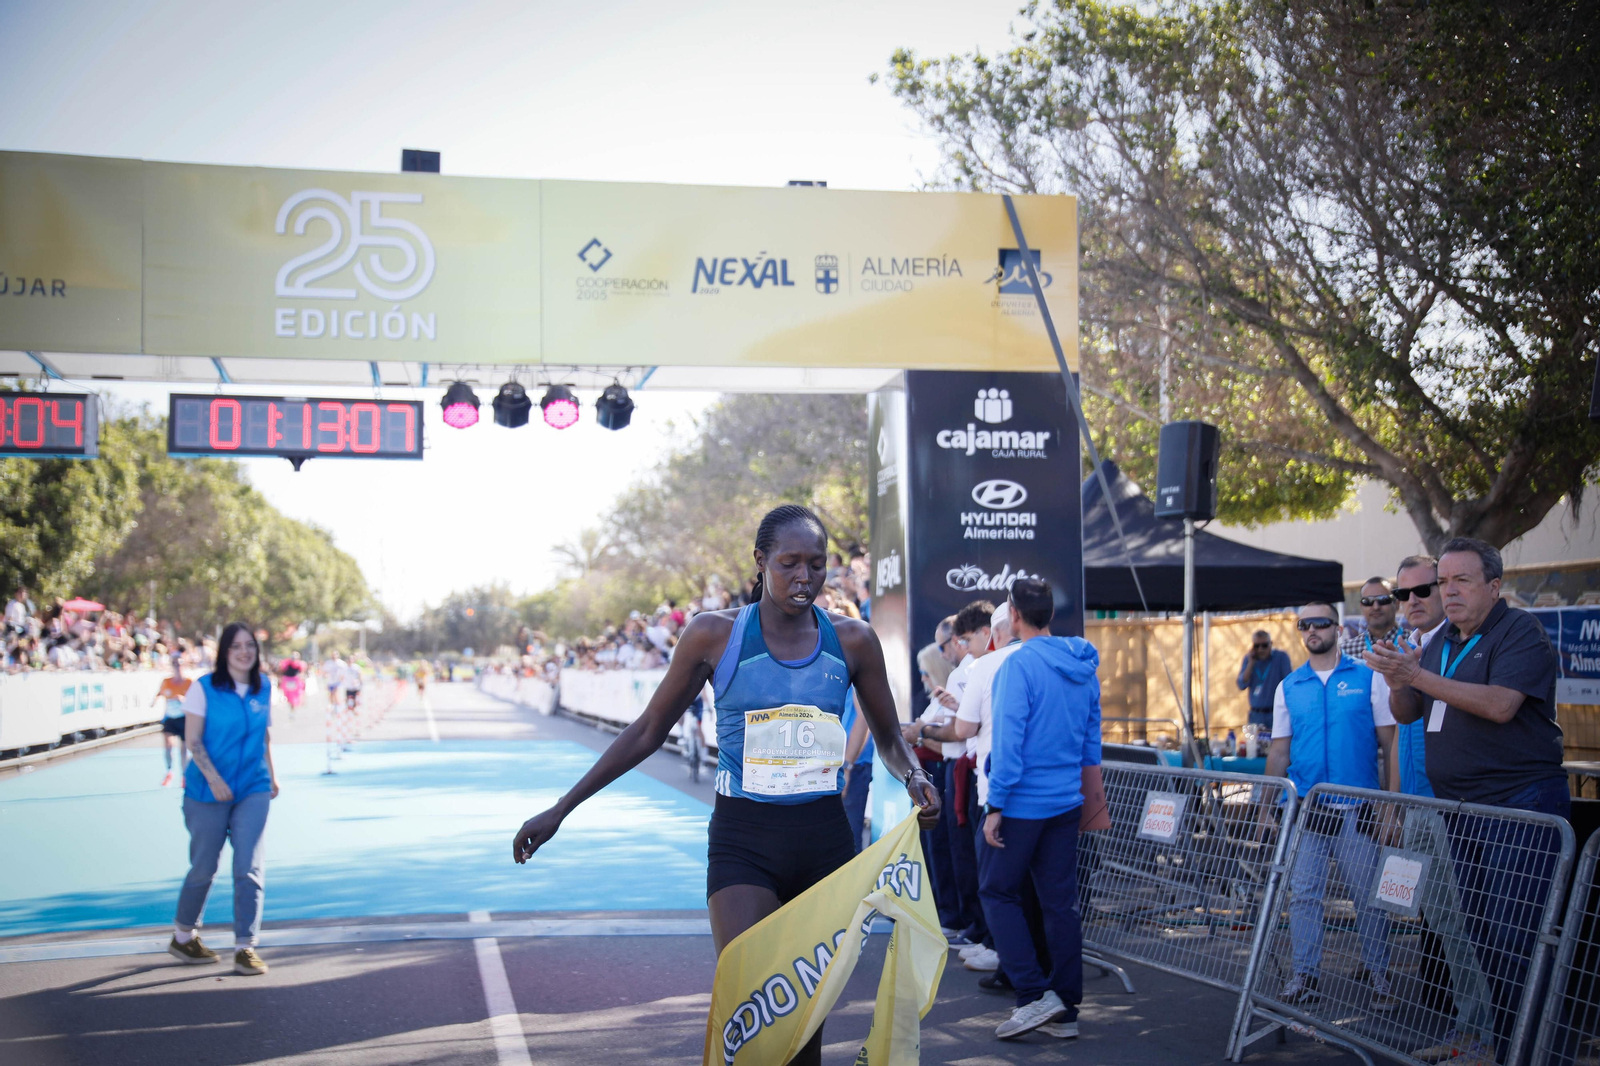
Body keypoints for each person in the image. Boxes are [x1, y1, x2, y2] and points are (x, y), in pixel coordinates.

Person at [511, 505, 939, 1066]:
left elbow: (888, 736)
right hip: (744, 840)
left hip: (825, 845)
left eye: (817, 564)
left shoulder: (854, 641)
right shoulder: (714, 635)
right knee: (753, 1001)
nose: (804, 577)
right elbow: (645, 731)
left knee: (805, 1022)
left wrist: (914, 775)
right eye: (789, 564)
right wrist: (562, 808)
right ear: (760, 561)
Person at [1365, 537, 1568, 1058]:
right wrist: (1395, 679)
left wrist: (1418, 675)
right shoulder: (1441, 641)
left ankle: (1536, 1050)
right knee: (1480, 938)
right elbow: (1409, 711)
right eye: (1444, 582)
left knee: (1518, 939)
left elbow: (1501, 705)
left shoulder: (1520, 630)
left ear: (1494, 587)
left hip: (1518, 807)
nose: (1448, 592)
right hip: (1462, 809)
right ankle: (1496, 1045)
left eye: (1461, 581)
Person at [1378, 554, 1496, 1066]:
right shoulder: (1411, 647)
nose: (1414, 603)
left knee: (1474, 929)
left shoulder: (1458, 644)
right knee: (1446, 926)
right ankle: (1472, 1031)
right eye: (1402, 595)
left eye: (1424, 590)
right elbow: (1404, 727)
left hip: (1461, 806)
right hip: (1419, 805)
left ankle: (1488, 1037)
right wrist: (1395, 805)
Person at [980, 577, 1101, 1041]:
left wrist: (996, 805)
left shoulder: (1018, 665)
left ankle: (1034, 996)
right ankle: (1065, 1010)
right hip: (1066, 800)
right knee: (1060, 906)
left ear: (1013, 614)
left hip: (1024, 803)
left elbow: (1009, 745)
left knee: (996, 892)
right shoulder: (1082, 663)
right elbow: (1092, 738)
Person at [1263, 603, 1398, 1011]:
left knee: (1368, 898)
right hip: (1308, 809)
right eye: (1305, 624)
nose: (1313, 630)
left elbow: (1390, 744)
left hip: (1359, 808)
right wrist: (1265, 806)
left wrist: (1390, 808)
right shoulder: (1289, 686)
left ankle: (1380, 975)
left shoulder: (1368, 678)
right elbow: (1278, 750)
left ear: (1338, 628)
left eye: (1321, 622)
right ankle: (1306, 977)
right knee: (1303, 896)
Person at [168, 622, 279, 976]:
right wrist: (214, 780)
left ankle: (246, 946)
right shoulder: (204, 689)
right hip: (206, 791)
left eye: (250, 645)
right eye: (236, 646)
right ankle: (183, 937)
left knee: (249, 866)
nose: (245, 652)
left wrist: (272, 777)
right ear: (225, 653)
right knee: (204, 867)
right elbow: (193, 740)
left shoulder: (264, 687)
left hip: (253, 787)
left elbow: (265, 738)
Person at [914, 601, 995, 956]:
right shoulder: (969, 668)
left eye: (957, 641)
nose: (955, 648)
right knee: (960, 854)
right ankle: (979, 930)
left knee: (973, 857)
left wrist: (921, 732)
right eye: (953, 643)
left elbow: (962, 729)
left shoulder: (980, 667)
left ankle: (982, 931)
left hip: (976, 770)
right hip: (969, 770)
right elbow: (959, 723)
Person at [1236, 631, 1292, 731]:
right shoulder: (1248, 659)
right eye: (1257, 646)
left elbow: (1288, 685)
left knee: (1277, 745)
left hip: (1276, 712)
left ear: (1271, 644)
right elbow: (1241, 684)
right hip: (1256, 714)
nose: (1260, 649)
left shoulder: (1281, 657)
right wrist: (1251, 664)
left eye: (1264, 645)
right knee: (1255, 746)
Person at [152, 653, 192, 787]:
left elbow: (195, 701)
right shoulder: (166, 681)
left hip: (184, 718)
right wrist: (154, 701)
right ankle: (169, 771)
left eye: (179, 664)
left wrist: (183, 700)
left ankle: (185, 775)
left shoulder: (189, 682)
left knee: (183, 748)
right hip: (170, 717)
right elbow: (160, 693)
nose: (177, 667)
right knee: (168, 745)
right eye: (174, 664)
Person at [1342, 578, 1400, 658]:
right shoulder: (1346, 651)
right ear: (1361, 606)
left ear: (1396, 604)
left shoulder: (1415, 643)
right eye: (1368, 601)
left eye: (1383, 600)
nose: (1376, 607)